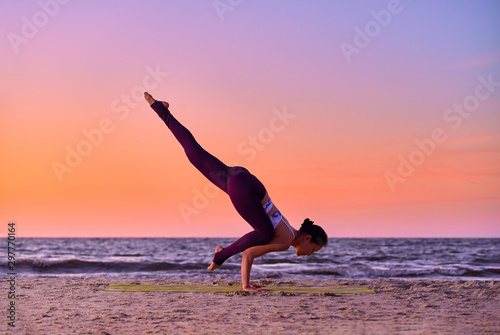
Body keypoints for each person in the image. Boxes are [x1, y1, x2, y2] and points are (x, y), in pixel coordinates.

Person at [144, 92, 328, 292]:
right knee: (265, 232)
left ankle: (159, 108)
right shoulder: (284, 241)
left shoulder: (288, 230)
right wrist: (246, 285)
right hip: (244, 188)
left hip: (245, 181)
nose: (310, 254)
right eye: (314, 250)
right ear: (307, 239)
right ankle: (220, 255)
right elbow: (248, 254)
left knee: (194, 152)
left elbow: (249, 250)